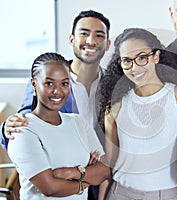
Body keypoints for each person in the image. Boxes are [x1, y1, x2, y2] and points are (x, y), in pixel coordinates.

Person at [1, 10, 111, 200]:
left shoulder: (114, 84)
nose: (91, 41)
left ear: (107, 44)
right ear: (71, 39)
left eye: (99, 35)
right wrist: (6, 128)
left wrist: (87, 174)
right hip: (56, 179)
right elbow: (24, 123)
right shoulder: (45, 80)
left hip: (102, 186)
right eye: (84, 33)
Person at [96, 27, 177, 200]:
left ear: (156, 56)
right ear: (120, 64)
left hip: (165, 195)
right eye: (127, 60)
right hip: (120, 193)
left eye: (142, 58)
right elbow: (109, 166)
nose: (135, 67)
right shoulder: (115, 108)